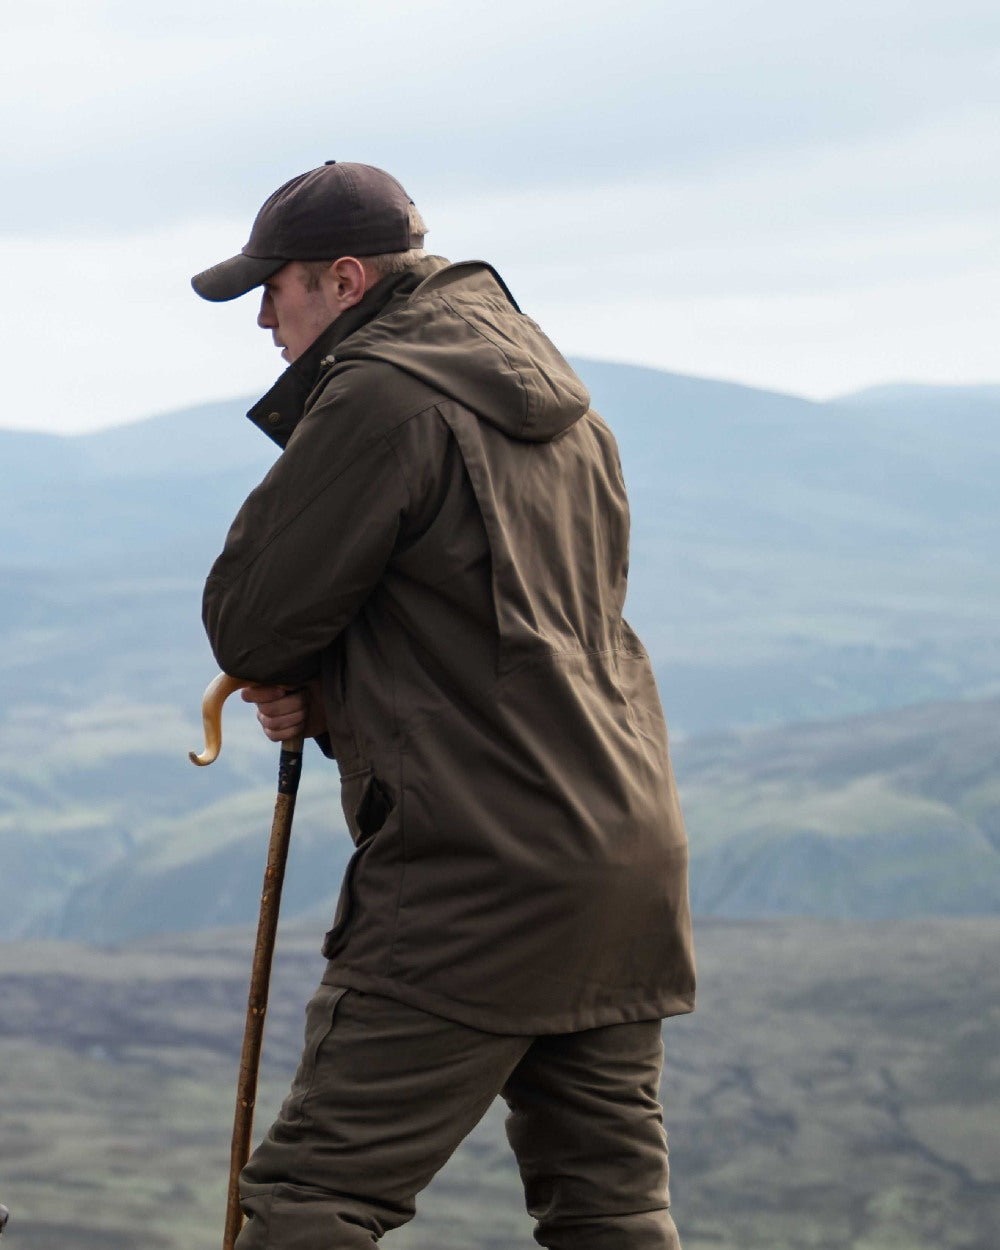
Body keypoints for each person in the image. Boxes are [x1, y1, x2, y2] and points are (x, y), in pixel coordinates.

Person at [191, 160, 695, 1250]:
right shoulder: (567, 409)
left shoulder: (382, 394)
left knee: (313, 1195)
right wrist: (329, 696)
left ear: (343, 276)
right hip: (619, 852)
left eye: (270, 289)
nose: (263, 317)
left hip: (477, 868)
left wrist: (301, 670)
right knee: (608, 1202)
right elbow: (496, 636)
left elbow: (252, 619)